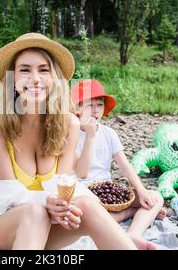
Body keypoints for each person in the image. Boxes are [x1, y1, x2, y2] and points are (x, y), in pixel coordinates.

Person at [0, 33, 139, 250]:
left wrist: (63, 208)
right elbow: (7, 198)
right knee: (35, 212)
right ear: (12, 79)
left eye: (44, 70)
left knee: (87, 205)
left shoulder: (69, 125)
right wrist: (45, 203)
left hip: (50, 224)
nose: (35, 79)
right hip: (6, 229)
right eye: (25, 70)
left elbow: (63, 186)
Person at [71, 79, 166, 250]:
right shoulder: (72, 133)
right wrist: (90, 135)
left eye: (99, 105)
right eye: (89, 105)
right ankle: (128, 213)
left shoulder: (109, 134)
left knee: (155, 198)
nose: (95, 110)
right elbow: (81, 173)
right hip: (83, 193)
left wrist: (142, 192)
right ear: (77, 108)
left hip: (106, 190)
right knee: (83, 216)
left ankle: (134, 233)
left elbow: (125, 166)